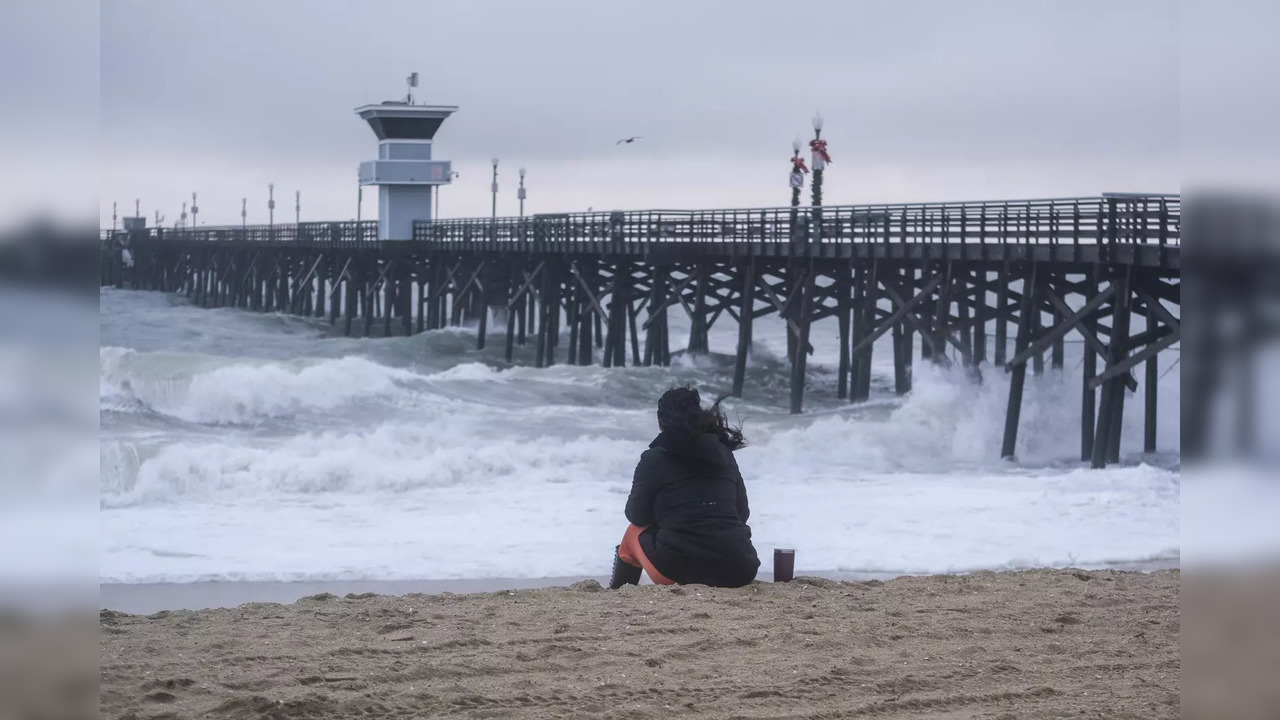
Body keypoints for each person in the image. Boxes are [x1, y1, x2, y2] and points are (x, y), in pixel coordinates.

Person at [609, 386, 761, 589]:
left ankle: (618, 594)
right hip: (738, 568)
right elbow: (742, 512)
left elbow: (636, 515)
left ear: (661, 424)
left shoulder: (653, 458)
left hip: (679, 569)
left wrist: (666, 516)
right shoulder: (723, 453)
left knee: (632, 533)